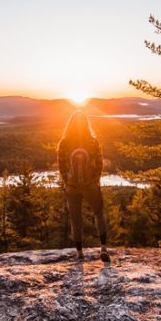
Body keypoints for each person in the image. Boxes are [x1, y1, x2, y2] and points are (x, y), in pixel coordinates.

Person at [57, 110, 109, 263]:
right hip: (90, 185)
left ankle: (79, 253)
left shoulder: (64, 143)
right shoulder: (93, 142)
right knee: (98, 214)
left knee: (75, 220)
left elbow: (61, 166)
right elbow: (99, 163)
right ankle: (104, 248)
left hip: (72, 187)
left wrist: (68, 183)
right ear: (86, 124)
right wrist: (94, 180)